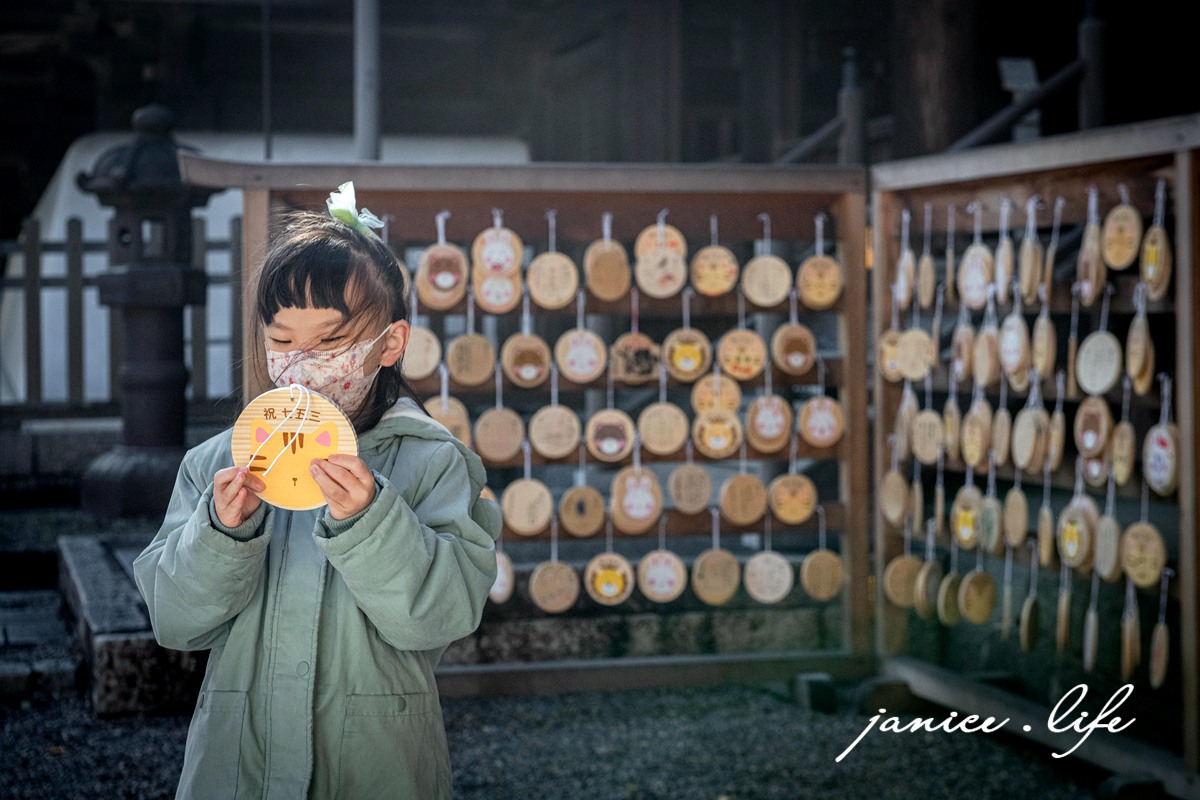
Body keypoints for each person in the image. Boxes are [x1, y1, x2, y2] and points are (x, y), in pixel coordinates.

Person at [133, 184, 501, 800]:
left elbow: (444, 615)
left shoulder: (430, 462)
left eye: (330, 342)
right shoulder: (220, 464)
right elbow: (174, 621)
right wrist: (222, 534)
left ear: (390, 344)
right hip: (237, 767)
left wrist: (373, 521)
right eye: (282, 341)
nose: (303, 364)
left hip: (376, 766)